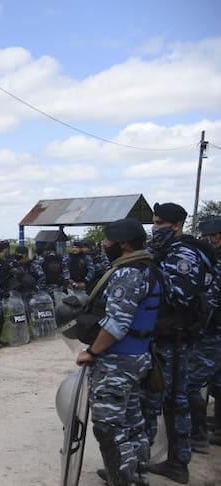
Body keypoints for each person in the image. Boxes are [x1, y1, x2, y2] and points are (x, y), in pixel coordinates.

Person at [74, 218, 160, 486]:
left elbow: (116, 323)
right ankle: (136, 474)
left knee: (108, 427)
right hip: (139, 357)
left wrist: (91, 351)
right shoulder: (149, 268)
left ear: (123, 244)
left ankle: (121, 478)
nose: (104, 244)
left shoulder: (127, 273)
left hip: (117, 362)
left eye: (108, 240)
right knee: (133, 422)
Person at [144, 202, 215, 483]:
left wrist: (148, 275)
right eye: (154, 222)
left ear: (177, 225)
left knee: (153, 402)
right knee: (175, 403)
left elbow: (178, 297)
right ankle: (176, 463)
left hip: (172, 340)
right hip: (171, 338)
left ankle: (133, 467)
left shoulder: (184, 254)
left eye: (160, 223)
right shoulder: (168, 251)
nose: (155, 228)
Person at [186, 216, 221, 449]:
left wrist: (194, 331)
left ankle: (198, 436)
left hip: (213, 334)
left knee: (189, 383)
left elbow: (209, 302)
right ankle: (218, 430)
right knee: (218, 384)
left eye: (206, 236)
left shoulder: (215, 264)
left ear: (217, 237)